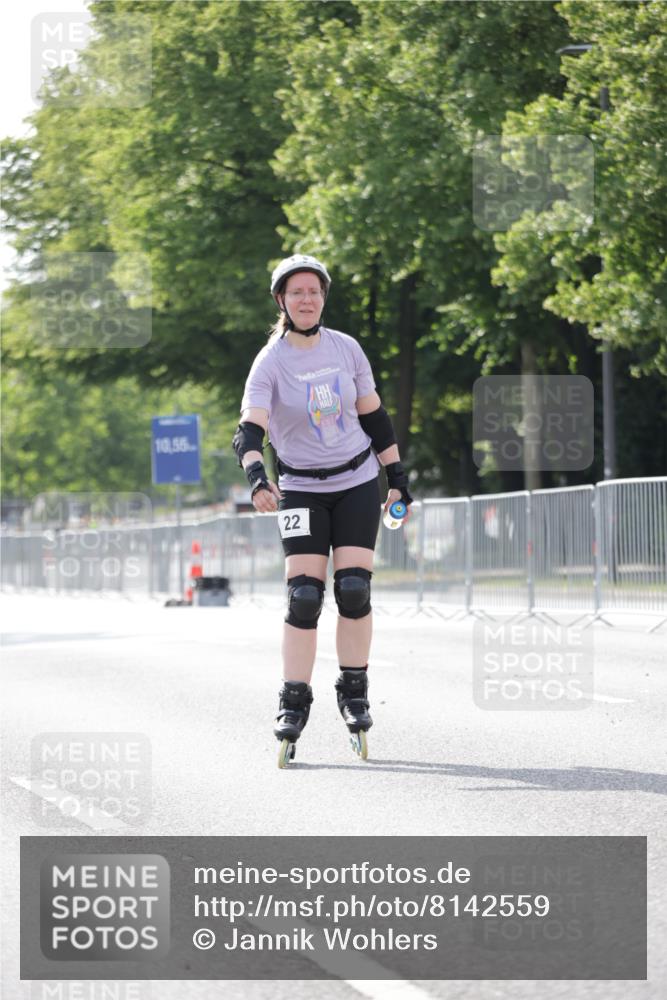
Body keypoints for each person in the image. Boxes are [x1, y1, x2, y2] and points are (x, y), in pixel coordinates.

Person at [232, 253, 413, 767]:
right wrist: (257, 477)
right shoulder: (270, 362)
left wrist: (397, 478)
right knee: (304, 597)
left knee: (353, 589)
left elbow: (374, 418)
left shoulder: (346, 349)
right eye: (297, 292)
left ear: (323, 297)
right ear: (282, 301)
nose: (306, 299)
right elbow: (249, 430)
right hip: (300, 489)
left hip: (357, 481)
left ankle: (354, 691)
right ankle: (293, 700)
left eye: (313, 291)